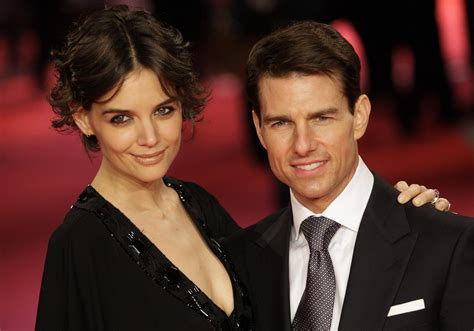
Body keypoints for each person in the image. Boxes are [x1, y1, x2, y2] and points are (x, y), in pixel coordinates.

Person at [35, 5, 450, 330]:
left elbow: (303, 276)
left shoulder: (196, 205)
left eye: (163, 110)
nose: (150, 137)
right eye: (121, 117)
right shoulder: (78, 245)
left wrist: (394, 217)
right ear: (84, 118)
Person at [223, 21, 474, 330]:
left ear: (360, 117)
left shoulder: (448, 243)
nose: (303, 145)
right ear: (259, 130)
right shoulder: (240, 260)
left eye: (322, 118)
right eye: (281, 123)